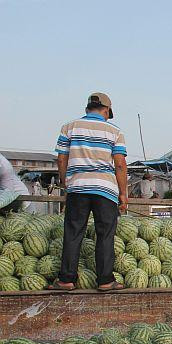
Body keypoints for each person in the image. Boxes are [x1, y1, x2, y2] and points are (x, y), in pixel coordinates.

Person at [47, 92, 128, 291]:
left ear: (87, 109)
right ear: (106, 110)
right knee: (105, 235)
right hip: (105, 190)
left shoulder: (69, 127)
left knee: (73, 233)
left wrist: (66, 182)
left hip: (78, 188)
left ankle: (66, 279)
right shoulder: (115, 131)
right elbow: (120, 164)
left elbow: (61, 159)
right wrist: (123, 193)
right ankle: (105, 280)